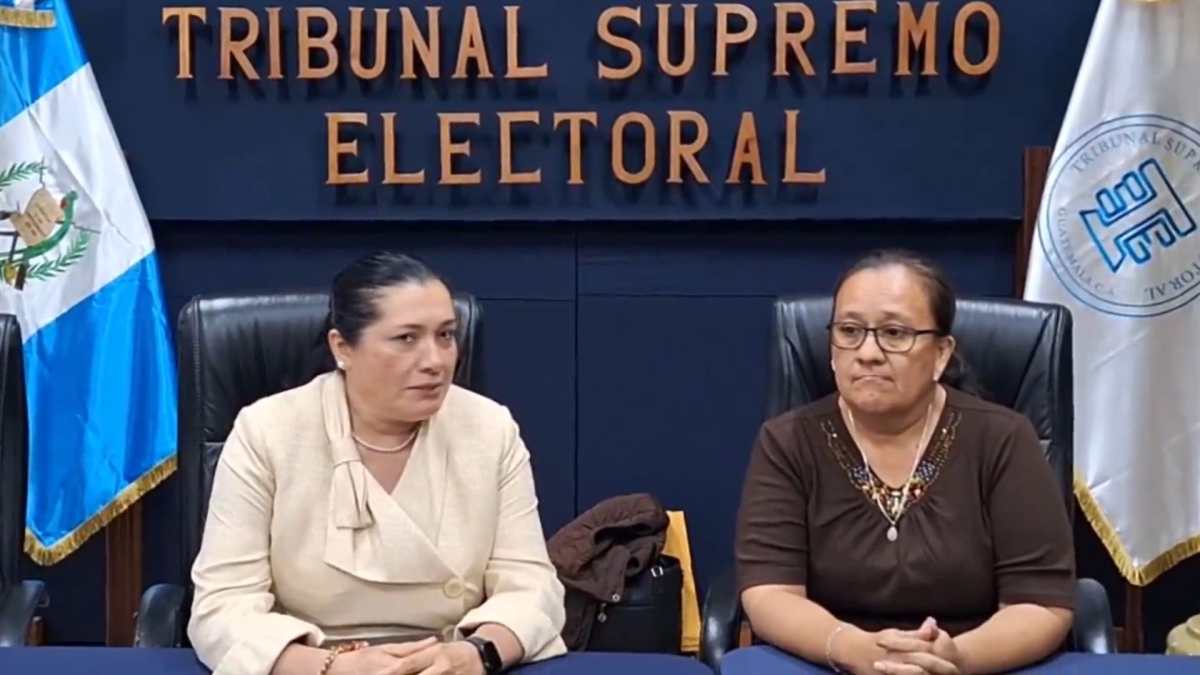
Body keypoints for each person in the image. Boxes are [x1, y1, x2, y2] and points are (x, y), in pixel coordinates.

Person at [188, 252, 567, 675]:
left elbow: (532, 587)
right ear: (342, 348)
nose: (436, 361)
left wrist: (476, 653)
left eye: (446, 335)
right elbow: (221, 606)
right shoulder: (268, 430)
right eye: (406, 338)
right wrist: (332, 667)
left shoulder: (489, 429)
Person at [735, 250, 1075, 675]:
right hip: (828, 661)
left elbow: (1040, 603)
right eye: (849, 331)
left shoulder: (1003, 439)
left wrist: (953, 659)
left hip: (975, 664)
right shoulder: (788, 442)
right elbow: (770, 592)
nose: (868, 352)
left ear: (941, 354)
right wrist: (855, 650)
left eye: (894, 333)